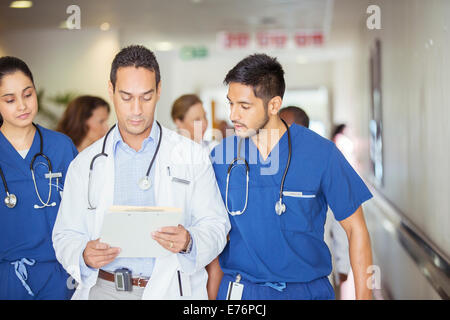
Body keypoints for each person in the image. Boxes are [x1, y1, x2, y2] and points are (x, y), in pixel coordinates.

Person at [52, 45, 230, 300]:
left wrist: (190, 240)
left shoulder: (191, 155)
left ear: (159, 90)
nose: (136, 110)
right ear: (111, 90)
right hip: (105, 289)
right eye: (126, 97)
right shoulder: (85, 163)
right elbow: (65, 234)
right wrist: (83, 255)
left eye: (146, 97)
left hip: (171, 288)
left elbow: (215, 224)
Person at [209, 53, 374, 300]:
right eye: (230, 103)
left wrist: (364, 297)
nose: (233, 115)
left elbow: (355, 229)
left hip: (305, 290)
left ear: (274, 105)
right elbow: (211, 232)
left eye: (244, 106)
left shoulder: (321, 153)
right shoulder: (221, 156)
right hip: (242, 291)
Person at [0, 56, 78, 299]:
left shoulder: (61, 147)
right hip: (7, 279)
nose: (22, 105)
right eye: (10, 100)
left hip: (59, 276)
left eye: (28, 94)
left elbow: (82, 208)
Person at [280, 106, 351, 298]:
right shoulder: (273, 168)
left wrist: (343, 266)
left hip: (319, 275)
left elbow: (342, 222)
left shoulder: (320, 165)